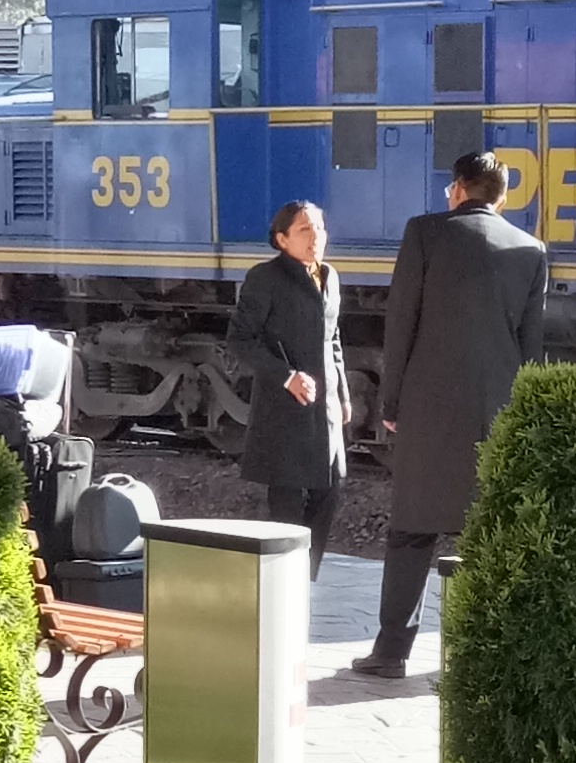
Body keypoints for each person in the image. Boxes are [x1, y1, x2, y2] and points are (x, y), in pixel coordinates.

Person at [350, 149, 547, 679]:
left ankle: (391, 652)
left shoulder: (424, 233)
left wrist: (391, 401)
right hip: (497, 411)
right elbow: (531, 347)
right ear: (502, 198)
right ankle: (479, 656)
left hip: (428, 406)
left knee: (411, 531)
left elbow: (401, 321)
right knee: (487, 532)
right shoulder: (530, 250)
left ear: (458, 188)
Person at [226, 200, 348, 614]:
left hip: (324, 406)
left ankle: (304, 577)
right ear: (282, 239)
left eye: (320, 229)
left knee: (331, 488)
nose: (316, 238)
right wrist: (286, 376)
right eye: (305, 230)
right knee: (288, 500)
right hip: (284, 408)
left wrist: (343, 395)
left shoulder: (329, 276)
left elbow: (332, 339)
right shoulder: (265, 278)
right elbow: (240, 340)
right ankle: (283, 590)